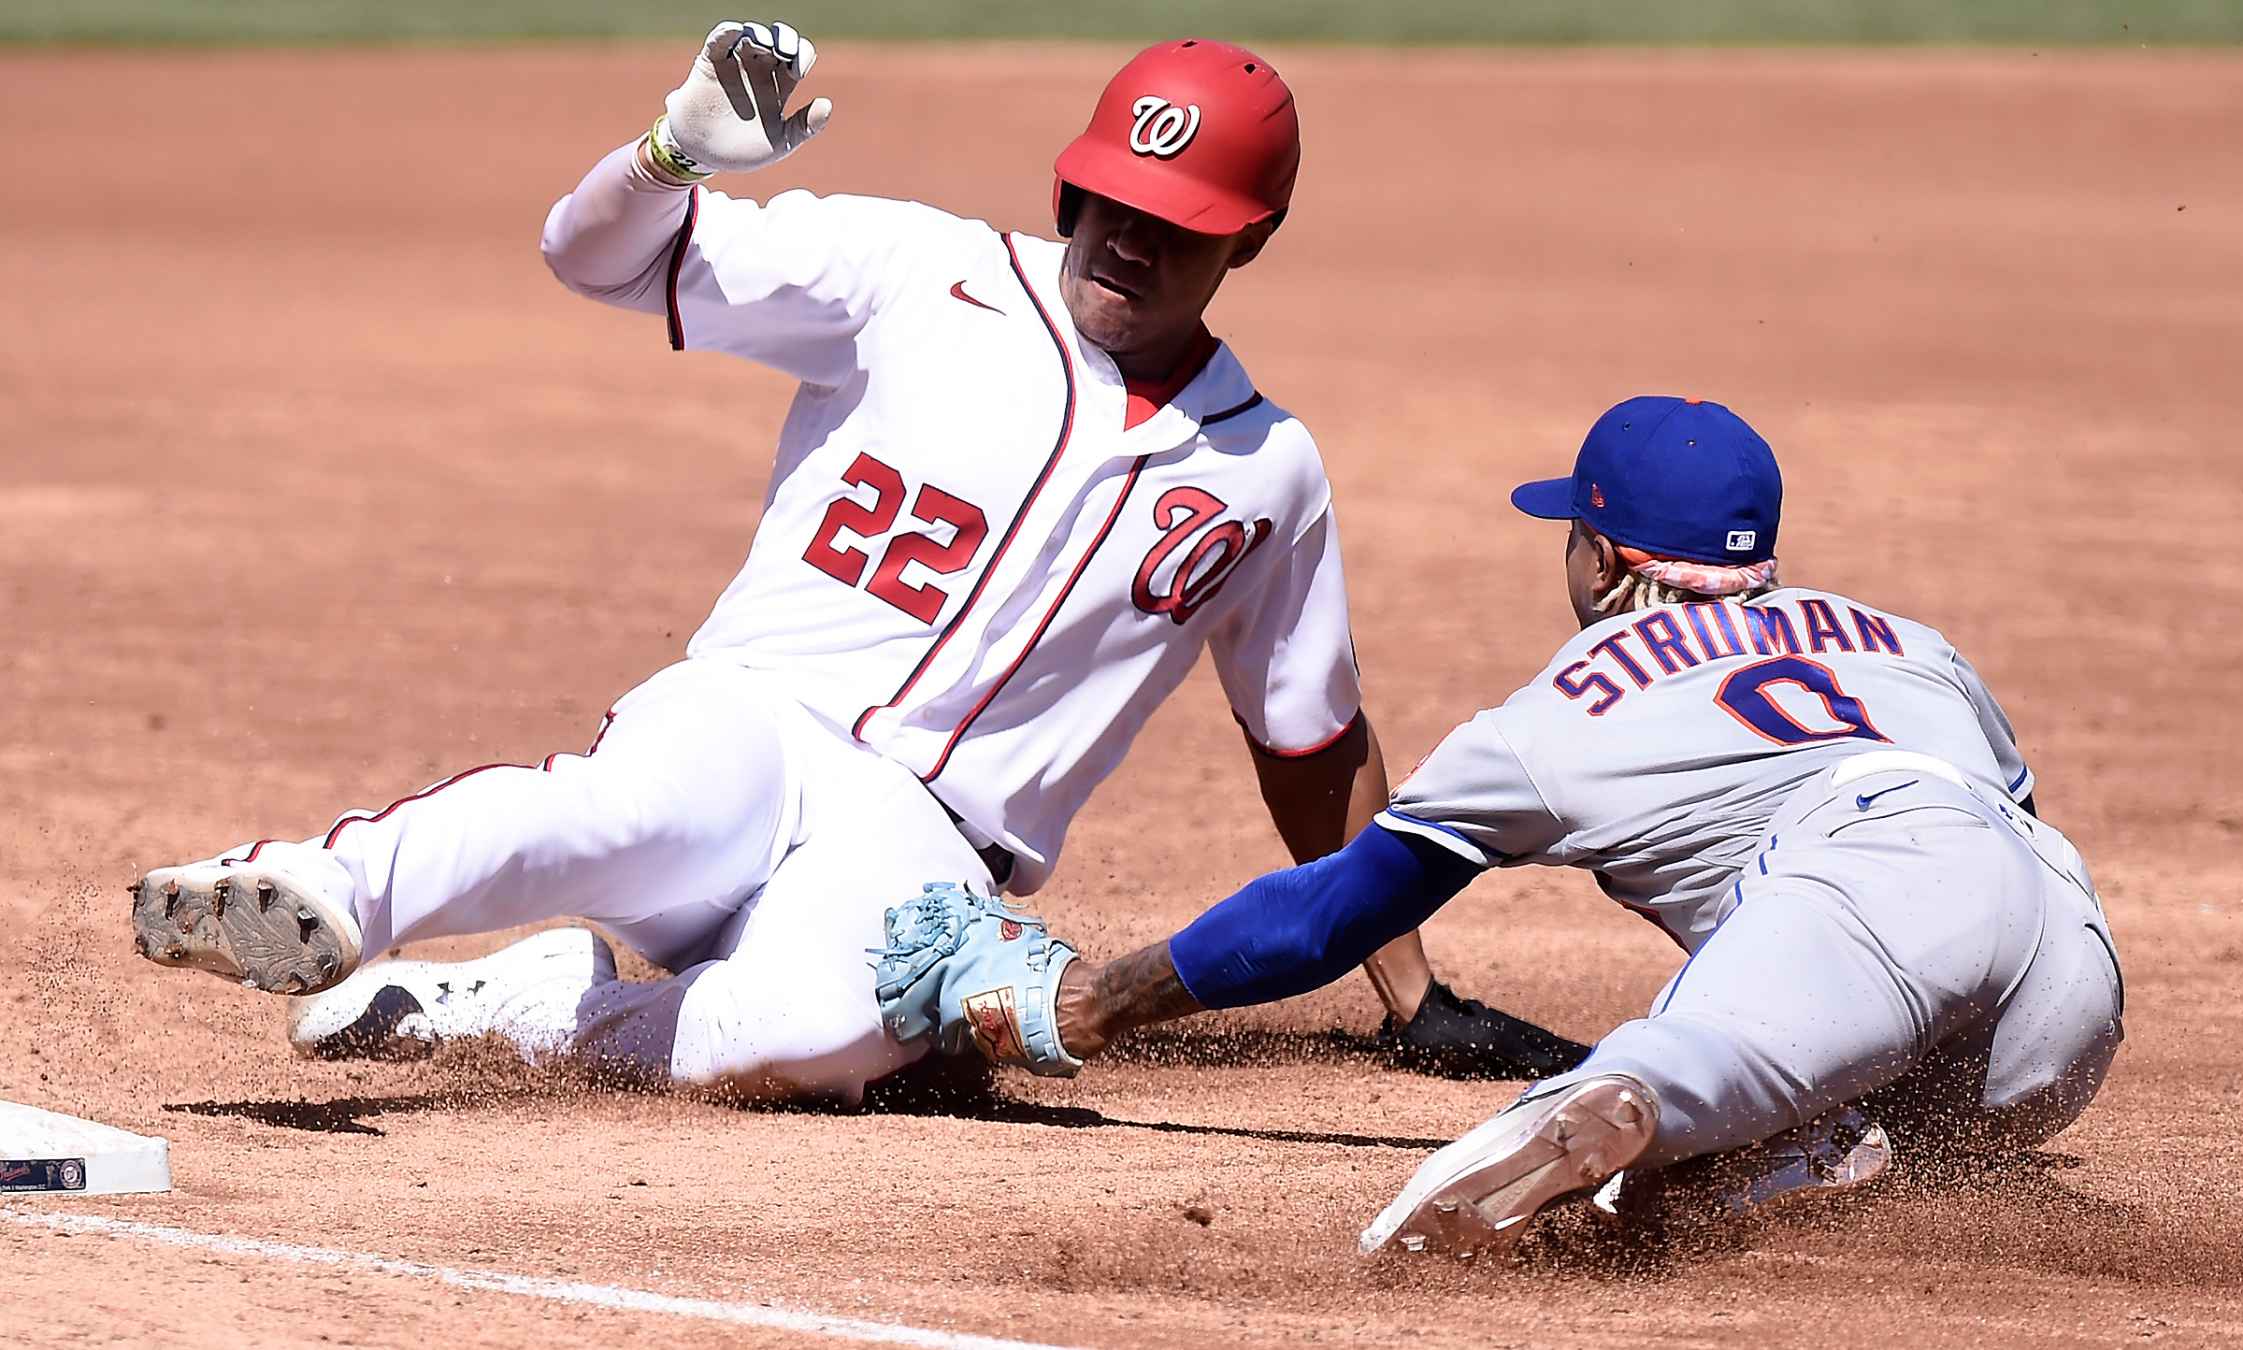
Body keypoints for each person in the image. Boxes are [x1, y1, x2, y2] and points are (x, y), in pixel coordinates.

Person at [128, 26, 1582, 1103]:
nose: (1121, 242)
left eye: (1173, 227)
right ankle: (310, 884)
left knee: (807, 1037)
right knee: (611, 812)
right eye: (1107, 202)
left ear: (1249, 239)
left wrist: (1412, 989)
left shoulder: (1267, 470)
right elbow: (593, 260)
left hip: (933, 848)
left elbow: (1311, 746)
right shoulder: (917, 271)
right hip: (758, 719)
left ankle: (519, 1008)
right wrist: (670, 157)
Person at [874, 395, 2127, 1253]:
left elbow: (1334, 911)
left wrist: (1101, 1001)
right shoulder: (1912, 643)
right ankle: (1818, 1140)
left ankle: (1637, 1110)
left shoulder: (1562, 716)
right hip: (2065, 969)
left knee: (1656, 1095)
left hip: (1861, 903)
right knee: (1900, 1116)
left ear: (1603, 555)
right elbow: (1992, 843)